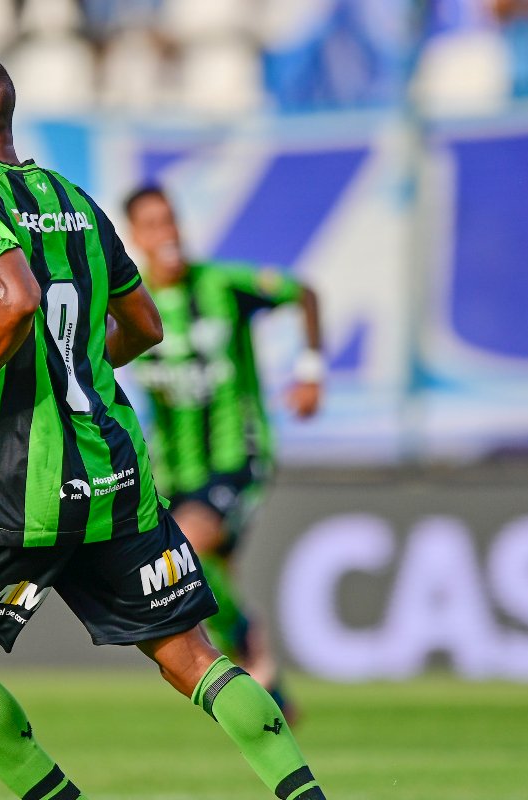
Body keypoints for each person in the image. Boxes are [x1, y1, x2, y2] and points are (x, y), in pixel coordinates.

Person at [0, 51, 326, 800]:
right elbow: (145, 325)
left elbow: (16, 295)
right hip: (116, 475)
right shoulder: (76, 201)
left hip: (24, 487)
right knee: (190, 655)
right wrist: (78, 372)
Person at [124, 185, 324, 716]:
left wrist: (310, 373)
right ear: (136, 237)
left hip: (238, 455)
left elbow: (302, 293)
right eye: (153, 224)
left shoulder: (223, 286)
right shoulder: (131, 302)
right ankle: (260, 666)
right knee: (202, 572)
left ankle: (249, 662)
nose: (166, 233)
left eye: (171, 220)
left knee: (189, 547)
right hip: (173, 468)